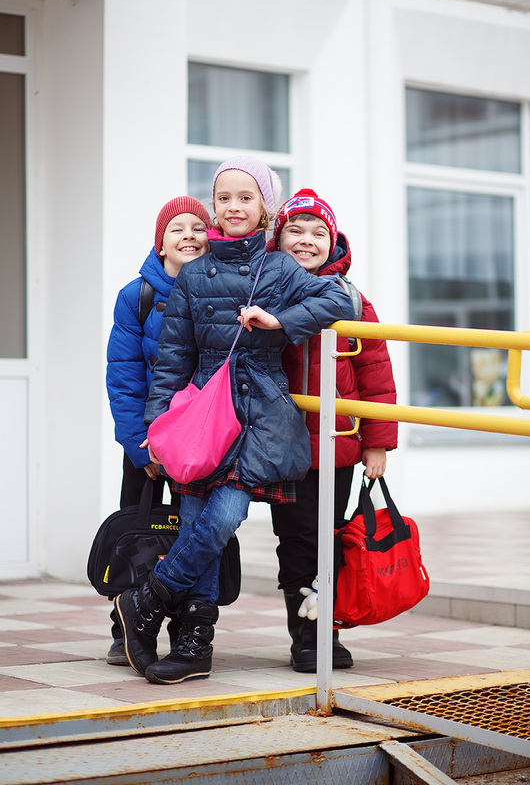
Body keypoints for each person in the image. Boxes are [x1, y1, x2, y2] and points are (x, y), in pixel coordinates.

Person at [114, 156, 356, 685]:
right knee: (198, 523)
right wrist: (156, 427)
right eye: (224, 198)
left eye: (246, 197)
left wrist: (279, 322)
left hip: (261, 417)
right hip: (204, 416)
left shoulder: (279, 268)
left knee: (224, 517)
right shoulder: (194, 275)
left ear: (265, 207)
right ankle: (195, 644)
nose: (234, 206)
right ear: (214, 208)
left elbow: (341, 301)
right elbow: (173, 360)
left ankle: (148, 596)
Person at [269, 189, 398, 672]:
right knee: (298, 538)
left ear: (333, 242)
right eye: (295, 230)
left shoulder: (352, 300)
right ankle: (305, 638)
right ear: (277, 238)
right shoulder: (263, 291)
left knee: (333, 535)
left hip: (338, 445)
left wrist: (377, 442)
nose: (307, 240)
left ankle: (328, 630)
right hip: (280, 446)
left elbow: (376, 374)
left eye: (318, 233)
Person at [105, 196, 211, 664]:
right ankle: (124, 629)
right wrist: (137, 445)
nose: (189, 234)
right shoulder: (137, 296)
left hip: (200, 444)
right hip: (145, 442)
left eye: (198, 227)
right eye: (177, 228)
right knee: (137, 530)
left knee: (193, 532)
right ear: (161, 244)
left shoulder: (220, 291)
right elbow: (124, 376)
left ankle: (185, 629)